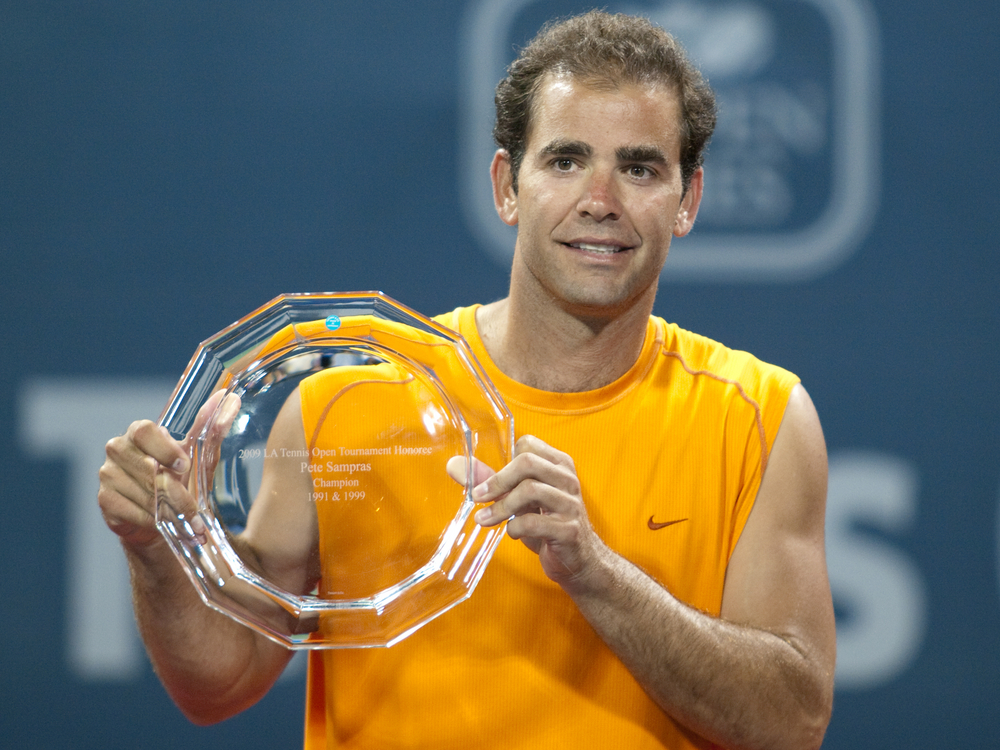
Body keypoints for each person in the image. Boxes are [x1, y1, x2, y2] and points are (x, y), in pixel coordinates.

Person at [98, 11, 835, 750]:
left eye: (639, 168)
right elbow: (219, 685)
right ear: (506, 185)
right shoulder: (343, 404)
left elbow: (792, 725)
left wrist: (597, 575)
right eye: (565, 160)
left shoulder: (763, 418)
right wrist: (156, 550)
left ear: (688, 201)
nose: (601, 200)